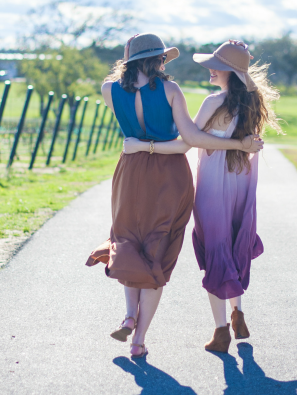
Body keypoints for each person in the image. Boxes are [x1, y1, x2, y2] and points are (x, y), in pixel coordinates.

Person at [86, 34, 263, 359]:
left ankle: (130, 314)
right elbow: (188, 140)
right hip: (175, 174)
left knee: (128, 238)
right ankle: (141, 338)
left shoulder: (108, 90)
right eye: (163, 59)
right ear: (156, 60)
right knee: (163, 246)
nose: (166, 64)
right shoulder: (172, 91)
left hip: (131, 169)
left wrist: (140, 143)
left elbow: (178, 133)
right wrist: (241, 145)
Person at [123, 40, 280, 353]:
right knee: (235, 242)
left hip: (213, 184)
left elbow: (190, 139)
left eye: (215, 66)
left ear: (228, 72)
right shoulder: (252, 103)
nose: (210, 70)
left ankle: (221, 330)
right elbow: (247, 143)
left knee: (215, 248)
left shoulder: (213, 103)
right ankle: (238, 312)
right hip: (242, 182)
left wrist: (143, 146)